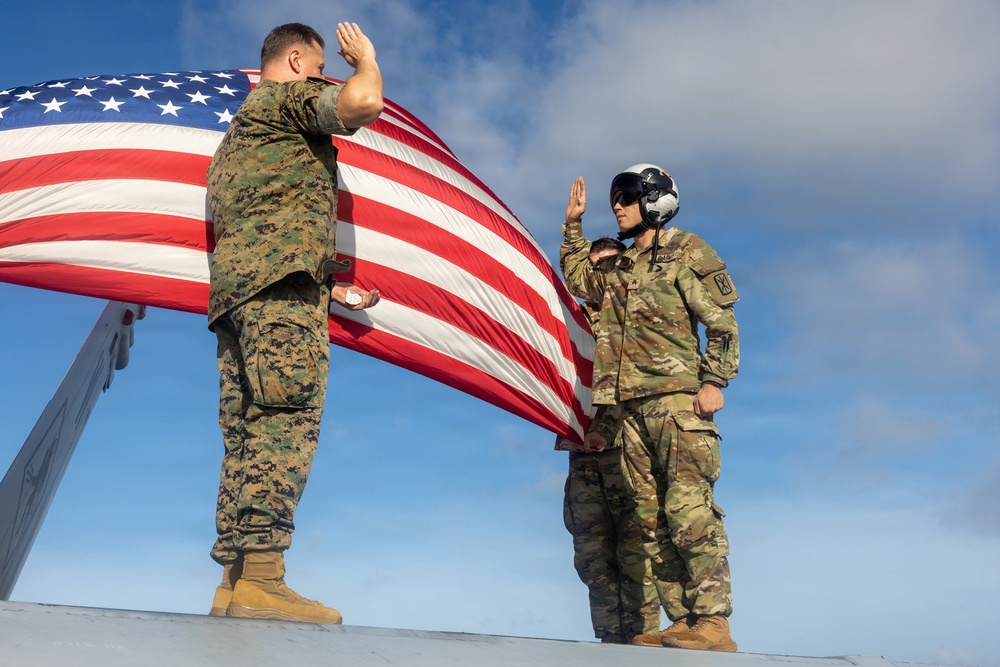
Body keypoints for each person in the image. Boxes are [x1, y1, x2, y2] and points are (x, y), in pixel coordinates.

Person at [204, 21, 384, 623]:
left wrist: (334, 289)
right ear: (299, 60)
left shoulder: (234, 140)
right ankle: (263, 580)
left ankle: (233, 582)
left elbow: (266, 222)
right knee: (285, 422)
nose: (322, 76)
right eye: (320, 67)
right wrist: (365, 59)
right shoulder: (282, 100)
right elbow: (364, 103)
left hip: (239, 300)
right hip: (280, 299)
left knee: (246, 434)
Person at [560, 165, 740, 651]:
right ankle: (683, 620)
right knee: (650, 519)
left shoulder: (688, 251)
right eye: (614, 199)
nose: (617, 206)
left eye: (627, 197)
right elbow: (580, 279)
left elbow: (722, 323)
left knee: (689, 511)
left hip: (678, 403)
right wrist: (573, 226)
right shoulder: (619, 268)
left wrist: (714, 380)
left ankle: (712, 620)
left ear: (656, 201)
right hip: (630, 414)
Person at [555, 237, 660, 644]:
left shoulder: (637, 318)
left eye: (611, 263)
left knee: (636, 549)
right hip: (582, 453)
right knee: (592, 554)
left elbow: (640, 382)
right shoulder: (569, 322)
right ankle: (611, 644)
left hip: (628, 451)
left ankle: (642, 638)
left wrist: (609, 426)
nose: (603, 272)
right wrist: (572, 231)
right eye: (595, 265)